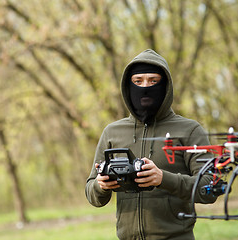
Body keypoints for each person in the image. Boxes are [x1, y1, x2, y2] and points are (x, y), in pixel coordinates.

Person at [85, 49, 217, 240]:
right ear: (128, 87)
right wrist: (100, 186)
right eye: (137, 81)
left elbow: (210, 187)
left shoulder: (189, 130)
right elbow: (91, 193)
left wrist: (163, 179)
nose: (144, 87)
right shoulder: (112, 132)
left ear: (165, 86)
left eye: (153, 81)